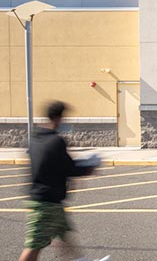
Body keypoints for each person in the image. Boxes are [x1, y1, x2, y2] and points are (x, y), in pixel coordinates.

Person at [18, 101, 110, 261]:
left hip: (45, 198)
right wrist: (89, 167)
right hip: (46, 202)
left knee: (65, 235)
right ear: (58, 118)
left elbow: (48, 164)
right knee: (34, 245)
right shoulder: (56, 141)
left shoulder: (35, 138)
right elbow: (69, 168)